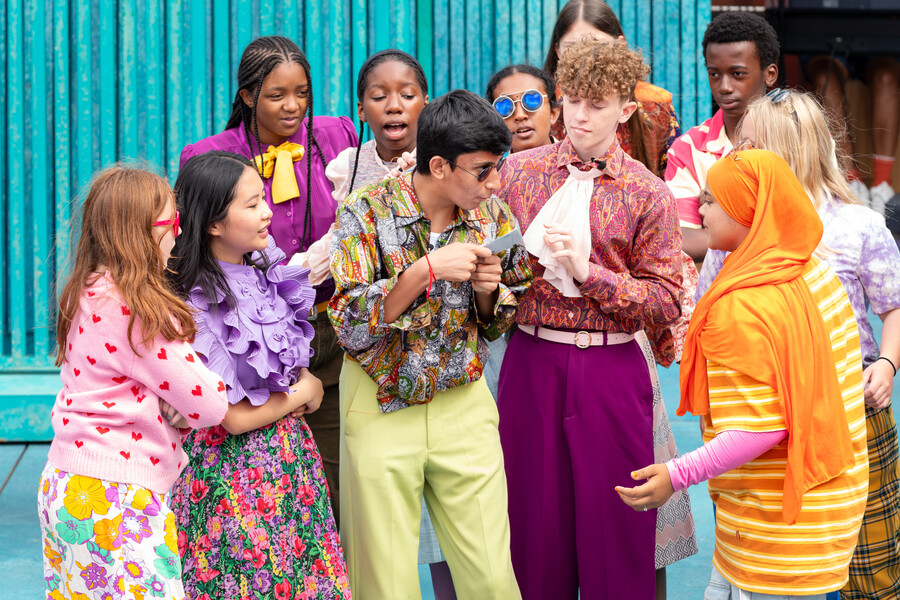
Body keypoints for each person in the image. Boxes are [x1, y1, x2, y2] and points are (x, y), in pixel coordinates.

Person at [487, 60, 698, 600]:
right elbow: (493, 265)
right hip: (532, 359)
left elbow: (667, 298)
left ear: (625, 110)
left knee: (619, 529)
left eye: (597, 104)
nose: (580, 116)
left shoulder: (648, 192)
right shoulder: (517, 174)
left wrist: (590, 273)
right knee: (531, 528)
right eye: (573, 101)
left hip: (612, 367)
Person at [617, 148, 869, 598]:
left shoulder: (744, 305)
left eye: (712, 200)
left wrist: (676, 475)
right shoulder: (814, 273)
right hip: (828, 507)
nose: (699, 209)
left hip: (777, 531)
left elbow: (760, 428)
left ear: (747, 211)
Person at [695, 89, 900, 600]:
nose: (735, 158)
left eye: (749, 147)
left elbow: (892, 305)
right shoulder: (736, 228)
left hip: (850, 410)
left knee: (866, 561)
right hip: (760, 421)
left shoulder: (859, 226)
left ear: (792, 152)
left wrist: (888, 363)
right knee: (767, 554)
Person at [329, 89, 530, 599]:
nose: (495, 182)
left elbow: (501, 313)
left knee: (491, 575)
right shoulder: (364, 213)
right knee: (385, 578)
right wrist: (420, 274)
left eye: (498, 165)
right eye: (483, 170)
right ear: (439, 166)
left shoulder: (492, 216)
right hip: (379, 398)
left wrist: (488, 294)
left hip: (463, 399)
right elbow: (348, 320)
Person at [179, 36, 357, 523]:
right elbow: (191, 247)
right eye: (277, 94)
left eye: (302, 92)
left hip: (329, 326)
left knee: (331, 483)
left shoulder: (336, 137)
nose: (293, 105)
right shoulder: (211, 156)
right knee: (254, 499)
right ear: (248, 95)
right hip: (245, 338)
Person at [38, 166, 229, 600]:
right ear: (141, 234)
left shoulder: (83, 291)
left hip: (64, 485)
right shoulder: (139, 313)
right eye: (171, 223)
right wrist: (175, 405)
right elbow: (210, 403)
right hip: (118, 498)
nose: (179, 234)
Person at [167, 151, 350, 599]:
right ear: (212, 223)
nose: (267, 210)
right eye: (250, 205)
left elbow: (294, 359)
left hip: (290, 465)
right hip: (232, 477)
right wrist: (303, 391)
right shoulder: (196, 303)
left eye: (262, 198)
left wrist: (301, 386)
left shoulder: (267, 273)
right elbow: (231, 418)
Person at [326, 49, 457, 599]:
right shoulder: (346, 170)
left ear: (425, 104)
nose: (394, 105)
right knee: (384, 513)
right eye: (379, 96)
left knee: (451, 512)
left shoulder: (445, 163)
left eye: (407, 94)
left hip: (443, 349)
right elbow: (341, 254)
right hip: (377, 347)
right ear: (361, 107)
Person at [665, 11, 779, 261]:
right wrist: (765, 234)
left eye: (737, 74)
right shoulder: (687, 149)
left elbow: (821, 222)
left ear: (770, 74)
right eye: (714, 74)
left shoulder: (800, 140)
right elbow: (678, 239)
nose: (724, 86)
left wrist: (721, 231)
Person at [544, 0, 681, 179]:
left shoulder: (655, 103)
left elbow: (674, 181)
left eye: (598, 46)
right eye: (573, 48)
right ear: (558, 51)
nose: (587, 57)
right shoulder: (541, 104)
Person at [806, 55, 899, 213]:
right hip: (831, 43)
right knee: (825, 75)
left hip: (878, 41)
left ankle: (882, 185)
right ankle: (851, 180)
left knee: (886, 76)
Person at [485, 64, 561, 154]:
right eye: (505, 107)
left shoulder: (578, 166)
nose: (520, 115)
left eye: (532, 101)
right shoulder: (495, 168)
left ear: (553, 113)